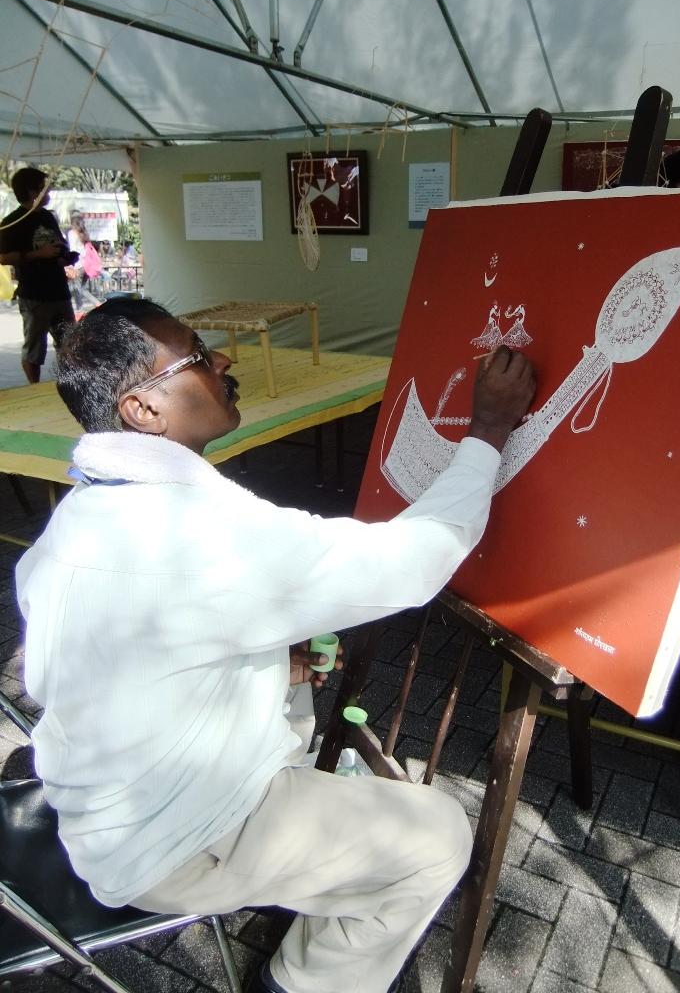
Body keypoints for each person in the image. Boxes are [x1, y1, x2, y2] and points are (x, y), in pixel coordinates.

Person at [16, 299, 536, 993]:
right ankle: (301, 982)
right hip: (176, 839)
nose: (222, 360)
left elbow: (125, 661)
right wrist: (489, 430)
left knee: (297, 707)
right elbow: (410, 563)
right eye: (197, 356)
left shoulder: (77, 519)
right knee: (437, 836)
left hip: (102, 814)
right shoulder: (200, 533)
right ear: (142, 410)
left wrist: (258, 667)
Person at [0, 167, 77, 382]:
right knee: (35, 349)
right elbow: (4, 257)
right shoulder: (13, 222)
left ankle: (70, 384)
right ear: (32, 191)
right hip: (34, 294)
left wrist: (65, 258)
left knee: (70, 343)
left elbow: (57, 247)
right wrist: (38, 254)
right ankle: (34, 388)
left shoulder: (48, 217)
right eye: (44, 187)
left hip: (59, 290)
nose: (49, 191)